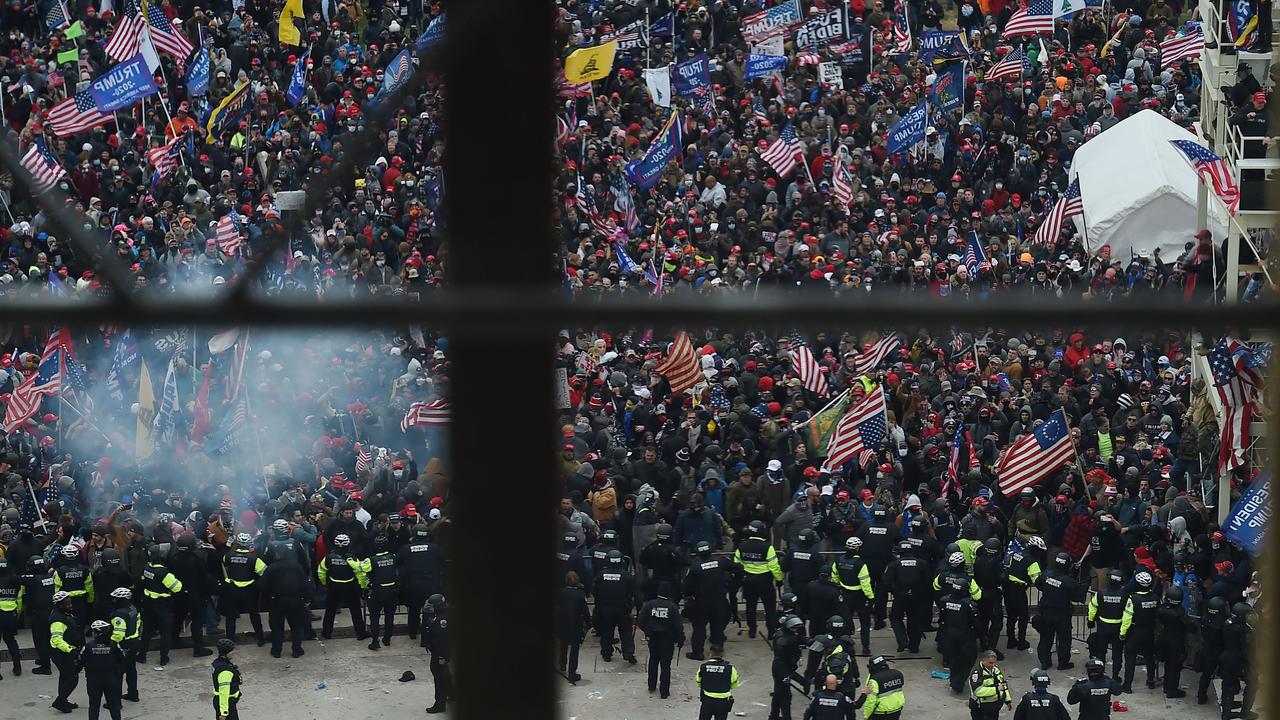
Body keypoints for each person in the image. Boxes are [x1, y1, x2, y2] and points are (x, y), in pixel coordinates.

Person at [259, 541, 312, 658]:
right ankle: (296, 650)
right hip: (295, 599)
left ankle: (276, 651)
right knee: (296, 626)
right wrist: (307, 598)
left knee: (277, 627)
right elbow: (305, 583)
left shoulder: (271, 568)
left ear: (277, 554)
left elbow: (262, 585)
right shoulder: (297, 566)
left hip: (276, 600)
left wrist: (268, 597)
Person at [683, 539, 732, 660]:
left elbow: (685, 586)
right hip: (719, 600)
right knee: (717, 625)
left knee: (699, 627)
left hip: (702, 601)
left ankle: (698, 653)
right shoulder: (720, 561)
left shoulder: (695, 567)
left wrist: (690, 594)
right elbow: (737, 569)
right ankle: (717, 650)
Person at [168, 534, 215, 657]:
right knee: (197, 621)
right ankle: (198, 648)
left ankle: (174, 640)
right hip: (196, 594)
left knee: (178, 617)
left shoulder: (173, 557)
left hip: (179, 593)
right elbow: (205, 578)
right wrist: (207, 593)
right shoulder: (198, 558)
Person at [735, 519, 783, 638]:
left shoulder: (741, 546)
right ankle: (771, 632)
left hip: (748, 581)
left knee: (750, 606)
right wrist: (779, 579)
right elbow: (774, 566)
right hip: (764, 581)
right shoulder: (768, 547)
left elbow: (736, 564)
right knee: (770, 608)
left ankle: (752, 630)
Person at [137, 544, 183, 665]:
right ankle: (163, 658)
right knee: (165, 632)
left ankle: (142, 655)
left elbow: (142, 580)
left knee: (147, 630)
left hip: (148, 603)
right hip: (162, 605)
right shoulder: (164, 573)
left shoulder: (146, 567)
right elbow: (177, 587)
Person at [395, 523, 443, 640]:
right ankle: (426, 637)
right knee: (430, 611)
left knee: (414, 610)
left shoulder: (406, 549)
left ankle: (412, 633)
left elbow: (397, 562)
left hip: (413, 585)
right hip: (431, 584)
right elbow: (442, 562)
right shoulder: (435, 548)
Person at [318, 533, 369, 640]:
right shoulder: (352, 558)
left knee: (330, 611)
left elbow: (321, 571)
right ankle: (361, 633)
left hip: (334, 587)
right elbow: (360, 573)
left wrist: (324, 583)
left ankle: (326, 633)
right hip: (350, 587)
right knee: (355, 611)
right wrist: (363, 586)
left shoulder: (328, 558)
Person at [638, 581, 684, 698]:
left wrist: (647, 631)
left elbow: (641, 621)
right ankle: (664, 691)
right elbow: (678, 626)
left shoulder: (650, 605)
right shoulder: (672, 607)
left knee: (653, 661)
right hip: (667, 640)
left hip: (653, 639)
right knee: (665, 665)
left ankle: (651, 685)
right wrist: (680, 639)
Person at [938, 565, 980, 695]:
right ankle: (958, 682)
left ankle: (954, 679)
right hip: (965, 636)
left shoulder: (945, 601)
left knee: (953, 658)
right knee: (968, 659)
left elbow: (942, 618)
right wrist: (982, 636)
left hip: (949, 634)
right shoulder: (968, 605)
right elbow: (976, 622)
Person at [592, 549, 640, 663]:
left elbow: (594, 591)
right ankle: (628, 653)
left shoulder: (601, 575)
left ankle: (606, 654)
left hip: (606, 609)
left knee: (607, 632)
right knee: (626, 632)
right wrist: (638, 606)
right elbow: (635, 593)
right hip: (622, 609)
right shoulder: (627, 576)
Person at [1085, 569, 1131, 687]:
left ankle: (1100, 675)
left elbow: (1092, 607)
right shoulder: (1125, 595)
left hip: (1103, 627)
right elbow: (1128, 614)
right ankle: (1115, 677)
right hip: (1118, 628)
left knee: (1101, 652)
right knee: (1117, 654)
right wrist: (1124, 631)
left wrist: (1090, 620)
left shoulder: (1100, 593)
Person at [1035, 553, 1079, 671]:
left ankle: (1045, 662)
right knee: (1064, 640)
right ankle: (1063, 663)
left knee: (1045, 638)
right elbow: (1076, 597)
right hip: (1062, 615)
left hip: (1046, 612)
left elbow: (1038, 584)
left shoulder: (1046, 575)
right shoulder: (1069, 581)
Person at [222, 532, 267, 646]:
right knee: (254, 615)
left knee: (230, 616)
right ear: (249, 544)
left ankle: (230, 640)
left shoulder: (228, 555)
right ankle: (260, 638)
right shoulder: (254, 558)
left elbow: (225, 564)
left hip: (232, 590)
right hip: (249, 590)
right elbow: (264, 572)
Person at [884, 540, 928, 654]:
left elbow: (886, 581)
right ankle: (914, 647)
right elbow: (928, 580)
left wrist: (895, 591)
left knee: (895, 618)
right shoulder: (921, 563)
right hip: (917, 597)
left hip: (900, 596)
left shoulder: (894, 564)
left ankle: (902, 640)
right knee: (914, 621)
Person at [832, 536, 875, 653]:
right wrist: (871, 597)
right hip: (860, 596)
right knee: (865, 622)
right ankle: (865, 648)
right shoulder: (860, 564)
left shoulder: (838, 560)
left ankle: (847, 646)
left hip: (845, 594)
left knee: (846, 622)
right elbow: (865, 583)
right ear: (857, 549)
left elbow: (835, 576)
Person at [1003, 535, 1045, 651]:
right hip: (1018, 591)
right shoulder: (1032, 562)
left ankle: (1010, 640)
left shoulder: (1017, 553)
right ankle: (1021, 642)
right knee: (1023, 617)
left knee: (1011, 616)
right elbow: (1037, 581)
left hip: (1007, 588)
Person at [1120, 570, 1158, 692]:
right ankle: (1151, 680)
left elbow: (1127, 618)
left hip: (1135, 631)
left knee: (1130, 657)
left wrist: (1122, 633)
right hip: (1150, 631)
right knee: (1149, 656)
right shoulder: (1155, 598)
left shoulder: (1133, 599)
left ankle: (1127, 686)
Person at [78, 619, 124, 720]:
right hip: (110, 679)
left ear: (97, 633)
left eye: (93, 631)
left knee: (94, 706)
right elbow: (122, 658)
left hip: (93, 680)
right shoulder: (114, 644)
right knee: (114, 705)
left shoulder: (88, 646)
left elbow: (80, 662)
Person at [1155, 586, 1195, 700]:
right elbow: (1192, 628)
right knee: (1175, 668)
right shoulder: (1180, 614)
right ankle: (1171, 690)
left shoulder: (1161, 610)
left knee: (1168, 666)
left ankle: (1167, 687)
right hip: (1176, 644)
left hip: (1162, 641)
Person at [363, 533, 400, 650]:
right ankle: (387, 639)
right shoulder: (393, 557)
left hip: (377, 592)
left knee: (374, 617)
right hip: (392, 591)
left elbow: (362, 571)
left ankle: (375, 641)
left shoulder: (371, 560)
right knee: (390, 616)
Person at [49, 590, 84, 713]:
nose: (70, 605)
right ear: (59, 605)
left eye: (70, 602)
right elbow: (57, 640)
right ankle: (59, 701)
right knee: (72, 678)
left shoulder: (65, 614)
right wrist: (70, 650)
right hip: (61, 654)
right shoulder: (57, 620)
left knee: (65, 677)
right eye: (67, 603)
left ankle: (63, 701)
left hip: (66, 652)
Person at [1219, 601, 1254, 719]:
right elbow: (1246, 650)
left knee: (1227, 684)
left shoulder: (1227, 623)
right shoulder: (1245, 630)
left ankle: (1226, 711)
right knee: (1253, 684)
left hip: (1226, 657)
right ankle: (1245, 712)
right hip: (1238, 661)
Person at [21, 556, 55, 674]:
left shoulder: (33, 580)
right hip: (51, 611)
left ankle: (46, 667)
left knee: (40, 640)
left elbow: (17, 579)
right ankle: (45, 659)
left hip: (40, 613)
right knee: (47, 637)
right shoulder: (49, 577)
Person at [770, 614, 807, 720]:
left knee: (778, 693)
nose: (795, 630)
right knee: (785, 696)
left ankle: (774, 716)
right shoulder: (784, 638)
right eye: (793, 628)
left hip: (784, 666)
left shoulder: (790, 635)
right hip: (781, 667)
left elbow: (802, 639)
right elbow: (784, 650)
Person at [108, 587, 141, 702]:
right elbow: (138, 623)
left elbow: (118, 634)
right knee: (131, 670)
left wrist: (111, 644)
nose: (113, 601)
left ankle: (115, 700)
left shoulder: (119, 615)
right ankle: (133, 694)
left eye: (115, 599)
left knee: (118, 673)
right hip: (134, 642)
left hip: (123, 645)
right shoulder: (133, 608)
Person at [557, 570, 590, 683]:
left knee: (563, 644)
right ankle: (572, 673)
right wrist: (589, 624)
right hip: (575, 625)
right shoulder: (580, 594)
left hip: (561, 623)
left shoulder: (560, 592)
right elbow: (585, 612)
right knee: (574, 649)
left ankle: (562, 664)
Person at [422, 594, 451, 714]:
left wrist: (442, 656)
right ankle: (452, 694)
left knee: (439, 678)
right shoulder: (440, 616)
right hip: (438, 651)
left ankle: (439, 704)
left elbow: (444, 640)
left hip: (440, 653)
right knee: (445, 675)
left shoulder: (442, 620)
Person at [1196, 596, 1229, 705]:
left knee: (1206, 674)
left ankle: (1201, 696)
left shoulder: (1205, 619)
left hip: (1207, 649)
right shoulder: (1223, 623)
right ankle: (1226, 701)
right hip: (1220, 651)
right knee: (1226, 676)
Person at [53, 543, 93, 625]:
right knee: (80, 624)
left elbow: (56, 589)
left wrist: (56, 603)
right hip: (81, 600)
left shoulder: (59, 571)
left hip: (65, 602)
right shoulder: (85, 570)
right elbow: (89, 586)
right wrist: (90, 600)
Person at [969, 650, 1013, 720]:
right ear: (984, 661)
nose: (993, 665)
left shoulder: (995, 669)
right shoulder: (977, 672)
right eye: (990, 663)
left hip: (994, 708)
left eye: (994, 662)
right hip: (981, 708)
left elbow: (1003, 685)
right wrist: (996, 689)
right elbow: (977, 691)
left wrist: (1007, 700)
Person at [696, 653, 740, 720]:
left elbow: (698, 681)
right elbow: (734, 683)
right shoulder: (730, 668)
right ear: (722, 655)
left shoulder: (703, 666)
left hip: (707, 700)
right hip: (723, 702)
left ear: (710, 654)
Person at [862, 654, 906, 720]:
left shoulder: (874, 680)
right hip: (897, 710)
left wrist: (866, 715)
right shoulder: (898, 674)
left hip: (880, 713)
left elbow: (871, 701)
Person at [0, 555, 21, 678]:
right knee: (11, 641)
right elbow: (19, 597)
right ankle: (17, 667)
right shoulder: (14, 579)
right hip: (11, 614)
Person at [212, 638, 243, 720]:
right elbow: (224, 692)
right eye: (231, 651)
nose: (234, 652)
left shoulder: (219, 662)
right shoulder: (225, 671)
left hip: (225, 702)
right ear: (226, 653)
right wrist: (224, 713)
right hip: (227, 704)